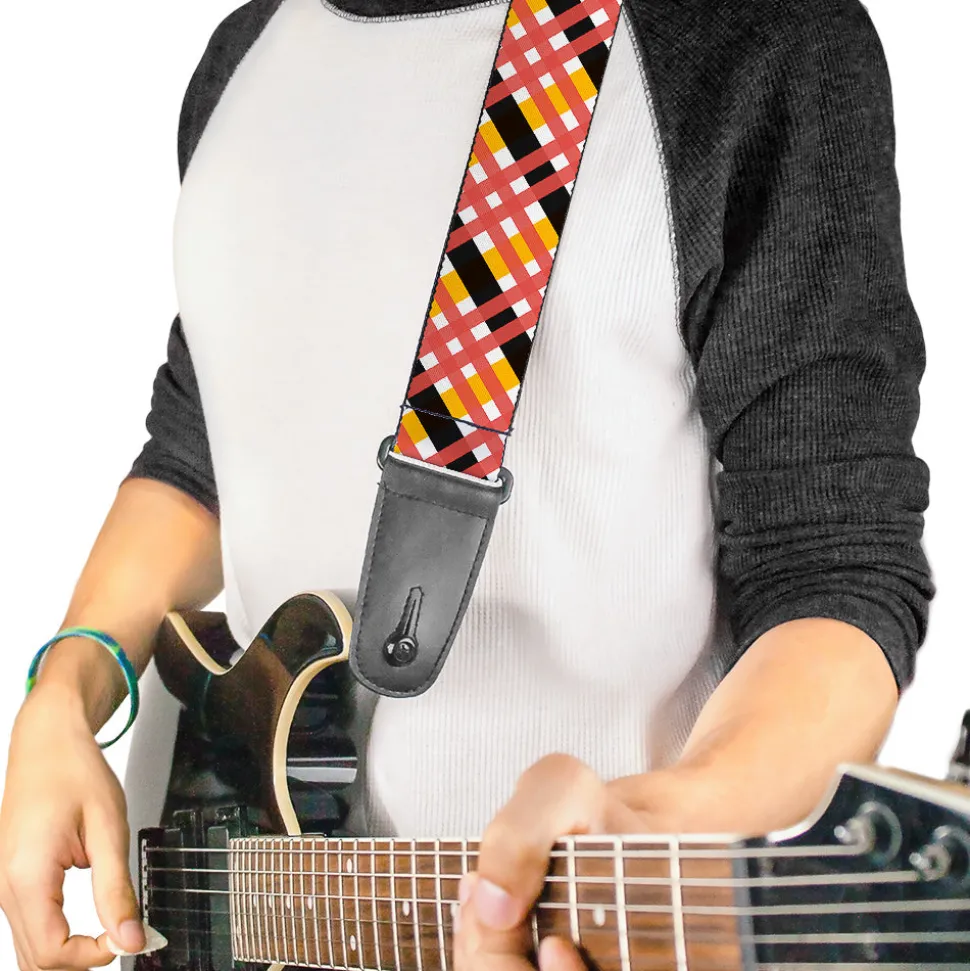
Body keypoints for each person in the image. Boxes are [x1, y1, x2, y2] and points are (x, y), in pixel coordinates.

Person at [0, 0, 935, 968]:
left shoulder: (752, 38)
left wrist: (657, 820)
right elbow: (199, 455)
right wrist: (64, 691)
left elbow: (834, 573)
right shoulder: (242, 57)